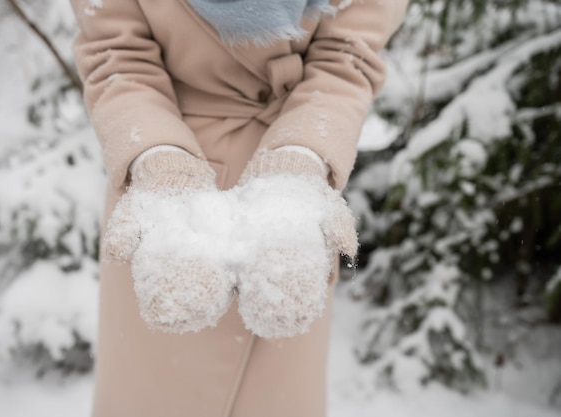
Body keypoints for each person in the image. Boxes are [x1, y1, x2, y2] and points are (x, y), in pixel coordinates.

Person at [68, 1, 409, 416]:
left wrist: (299, 164)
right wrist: (159, 162)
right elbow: (116, 53)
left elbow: (348, 56)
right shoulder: (159, 185)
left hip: (291, 212)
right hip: (159, 202)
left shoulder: (294, 193)